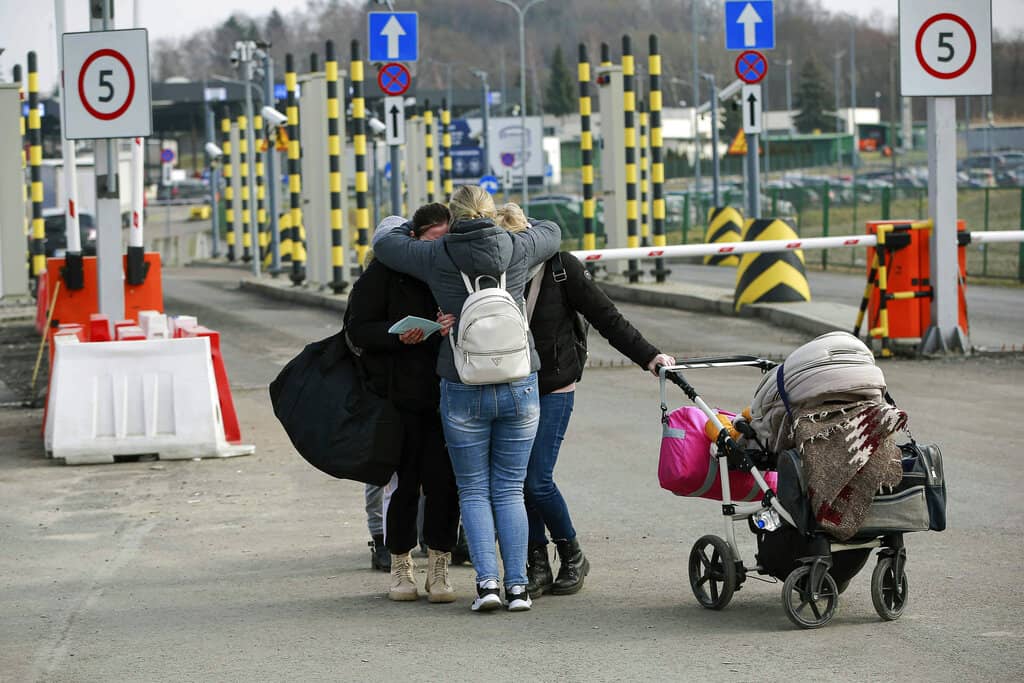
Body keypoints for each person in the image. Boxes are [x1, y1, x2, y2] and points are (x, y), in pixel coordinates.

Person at [372, 185, 561, 613]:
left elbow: (385, 243)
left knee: (473, 490)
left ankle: (488, 585)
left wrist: (406, 225)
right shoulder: (517, 246)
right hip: (519, 380)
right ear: (492, 215)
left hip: (462, 381)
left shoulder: (436, 255)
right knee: (510, 488)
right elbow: (552, 231)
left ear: (454, 219)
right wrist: (518, 222)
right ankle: (518, 589)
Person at [494, 202, 674, 597]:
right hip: (511, 387)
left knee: (536, 480)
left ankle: (571, 553)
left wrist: (649, 356)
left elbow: (607, 317)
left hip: (556, 386)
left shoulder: (562, 269)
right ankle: (536, 563)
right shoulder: (496, 272)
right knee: (518, 483)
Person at [346, 202, 461, 603]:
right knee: (404, 483)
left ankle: (440, 567)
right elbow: (357, 328)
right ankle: (400, 564)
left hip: (449, 392)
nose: (439, 249)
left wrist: (453, 323)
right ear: (413, 239)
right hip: (399, 396)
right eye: (433, 241)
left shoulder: (454, 268)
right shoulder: (384, 273)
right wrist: (399, 337)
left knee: (445, 484)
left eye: (445, 240)